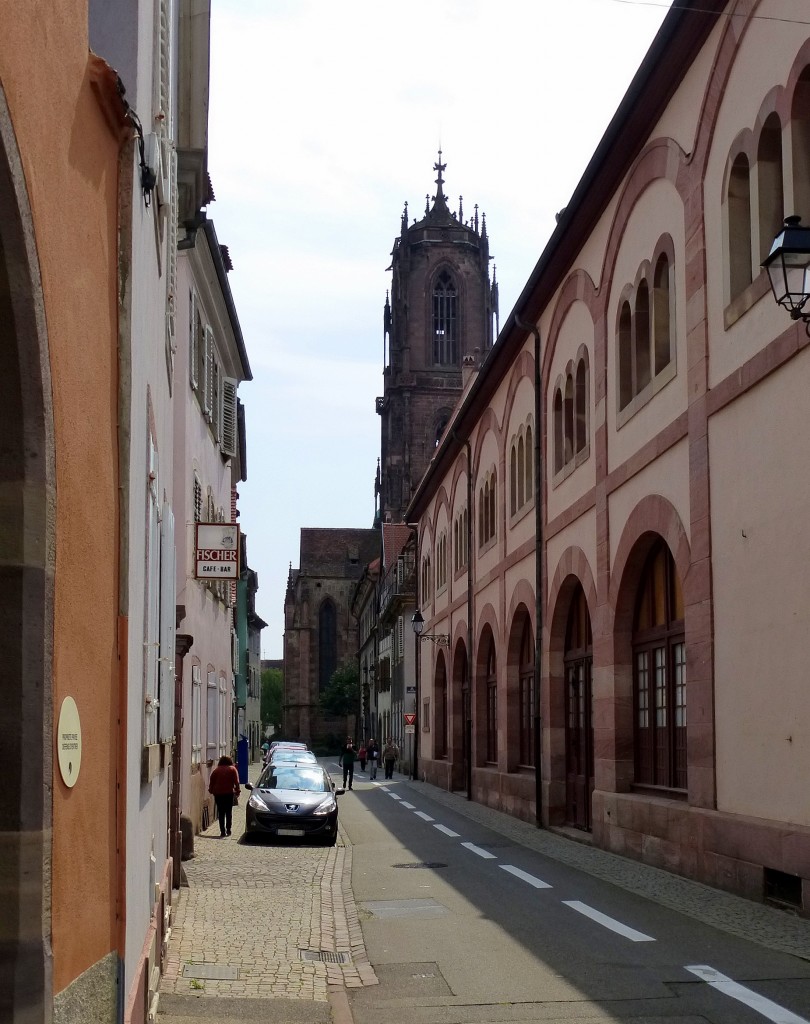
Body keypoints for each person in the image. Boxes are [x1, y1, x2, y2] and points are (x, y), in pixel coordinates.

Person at [208, 754, 240, 837]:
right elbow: (236, 781)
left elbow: (212, 781)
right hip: (229, 793)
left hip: (218, 794)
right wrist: (237, 791)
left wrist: (211, 790)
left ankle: (222, 831)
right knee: (228, 812)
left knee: (221, 812)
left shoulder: (216, 770)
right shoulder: (232, 769)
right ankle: (228, 829)